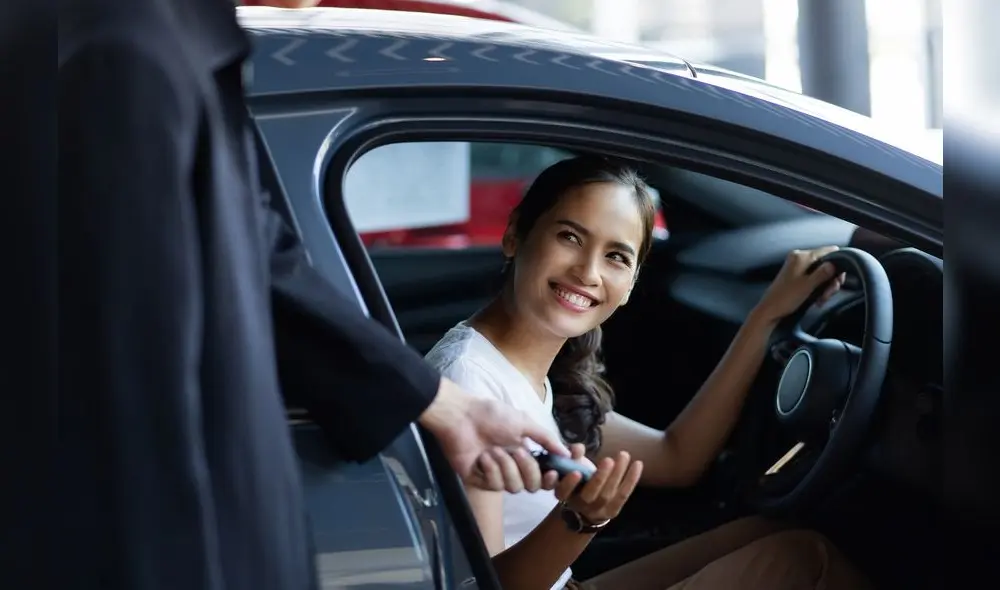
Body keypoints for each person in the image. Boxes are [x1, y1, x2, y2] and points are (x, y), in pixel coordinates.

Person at [57, 0, 566, 588]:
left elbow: (260, 256)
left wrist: (449, 408)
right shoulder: (126, 53)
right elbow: (130, 400)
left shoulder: (163, 42)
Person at [425, 156, 872, 589]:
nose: (588, 271)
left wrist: (766, 316)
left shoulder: (533, 374)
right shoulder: (470, 382)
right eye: (570, 237)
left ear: (632, 283)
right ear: (515, 235)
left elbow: (677, 457)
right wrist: (580, 519)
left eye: (616, 256)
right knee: (802, 563)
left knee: (763, 533)